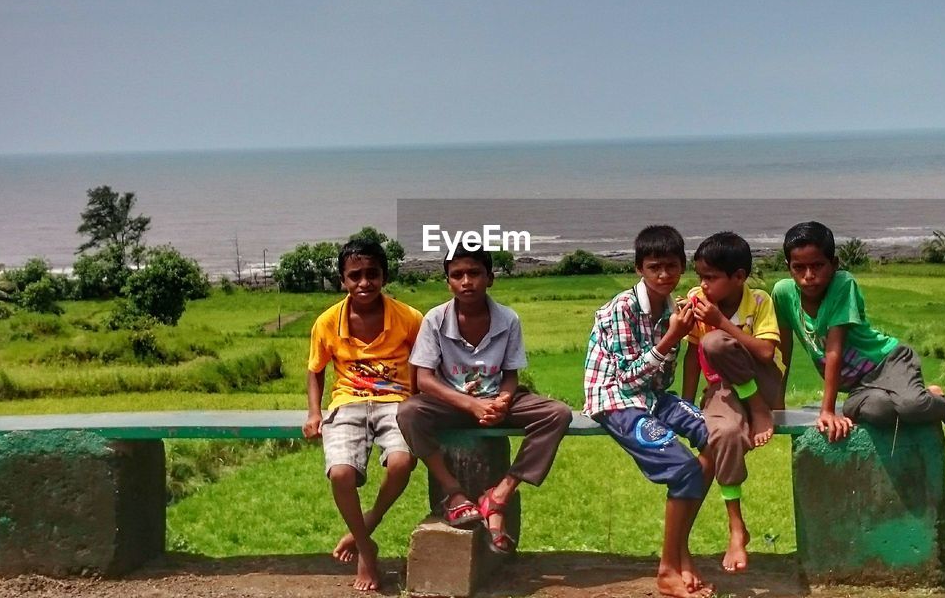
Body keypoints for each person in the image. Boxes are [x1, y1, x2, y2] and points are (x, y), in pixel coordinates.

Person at [396, 247, 573, 554]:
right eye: (457, 275)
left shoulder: (508, 319)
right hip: (452, 402)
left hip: (495, 400)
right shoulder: (435, 320)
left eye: (475, 273)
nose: (467, 282)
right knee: (409, 412)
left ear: (490, 278)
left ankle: (501, 494)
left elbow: (510, 374)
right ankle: (452, 492)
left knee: (557, 414)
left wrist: (503, 399)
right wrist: (470, 405)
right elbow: (424, 380)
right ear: (448, 282)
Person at [771, 221, 945, 452]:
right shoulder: (783, 293)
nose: (808, 275)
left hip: (888, 362)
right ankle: (930, 396)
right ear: (788, 266)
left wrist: (828, 411)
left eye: (817, 266)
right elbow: (783, 350)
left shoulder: (842, 284)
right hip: (859, 386)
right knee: (879, 413)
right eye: (798, 268)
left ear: (834, 264)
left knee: (912, 406)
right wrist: (777, 403)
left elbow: (834, 348)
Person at [583, 225, 713, 598]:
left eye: (671, 267)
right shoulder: (622, 308)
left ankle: (680, 549)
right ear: (639, 268)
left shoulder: (673, 307)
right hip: (615, 399)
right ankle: (668, 569)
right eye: (654, 267)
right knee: (684, 468)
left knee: (717, 438)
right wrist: (672, 337)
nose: (663, 275)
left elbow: (662, 375)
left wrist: (676, 334)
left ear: (682, 266)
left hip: (654, 395)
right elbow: (625, 379)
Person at [302, 238, 422, 592]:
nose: (364, 282)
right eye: (355, 276)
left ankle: (367, 524)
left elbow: (421, 364)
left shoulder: (408, 318)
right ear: (343, 280)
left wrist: (416, 404)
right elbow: (315, 369)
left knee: (401, 463)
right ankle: (366, 549)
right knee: (340, 473)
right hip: (348, 402)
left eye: (372, 274)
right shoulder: (327, 322)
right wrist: (313, 412)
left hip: (396, 401)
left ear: (384, 276)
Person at [679, 231, 782, 574]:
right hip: (722, 390)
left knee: (717, 343)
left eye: (711, 277)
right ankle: (736, 526)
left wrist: (719, 323)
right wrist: (686, 404)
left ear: (739, 277)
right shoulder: (696, 300)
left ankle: (756, 407)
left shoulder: (760, 302)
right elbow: (692, 356)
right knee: (723, 435)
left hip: (764, 385)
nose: (703, 285)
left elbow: (767, 353)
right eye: (701, 277)